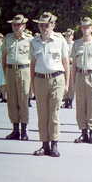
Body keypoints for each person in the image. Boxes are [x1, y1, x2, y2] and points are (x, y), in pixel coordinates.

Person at [30, 12, 69, 157]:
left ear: (52, 25)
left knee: (54, 113)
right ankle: (44, 145)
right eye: (41, 25)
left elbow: (66, 63)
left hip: (56, 79)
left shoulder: (60, 41)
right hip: (40, 79)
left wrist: (66, 84)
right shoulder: (34, 42)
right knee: (42, 114)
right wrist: (32, 85)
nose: (43, 28)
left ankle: (54, 144)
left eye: (46, 25)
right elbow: (32, 65)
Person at [70, 17, 92, 144]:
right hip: (79, 75)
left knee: (91, 105)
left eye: (88, 27)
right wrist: (73, 81)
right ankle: (83, 132)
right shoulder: (77, 43)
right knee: (80, 105)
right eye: (83, 27)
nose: (85, 29)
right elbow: (73, 65)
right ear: (81, 28)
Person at [3, 14, 32, 141]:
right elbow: (3, 58)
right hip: (10, 70)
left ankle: (24, 131)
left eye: (19, 25)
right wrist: (6, 73)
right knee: (12, 101)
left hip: (24, 70)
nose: (16, 27)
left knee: (23, 101)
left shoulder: (30, 40)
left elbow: (34, 59)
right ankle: (15, 130)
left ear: (24, 26)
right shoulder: (8, 38)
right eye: (14, 25)